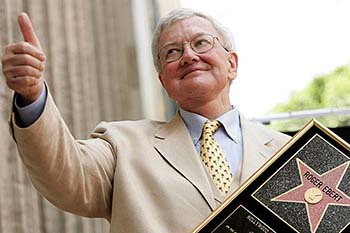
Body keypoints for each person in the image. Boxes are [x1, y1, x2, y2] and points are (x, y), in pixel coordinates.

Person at [1, 8, 290, 233]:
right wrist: (32, 95)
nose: (189, 56)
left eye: (201, 43)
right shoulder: (122, 146)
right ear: (163, 80)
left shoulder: (290, 153)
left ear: (232, 64)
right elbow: (65, 174)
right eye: (172, 52)